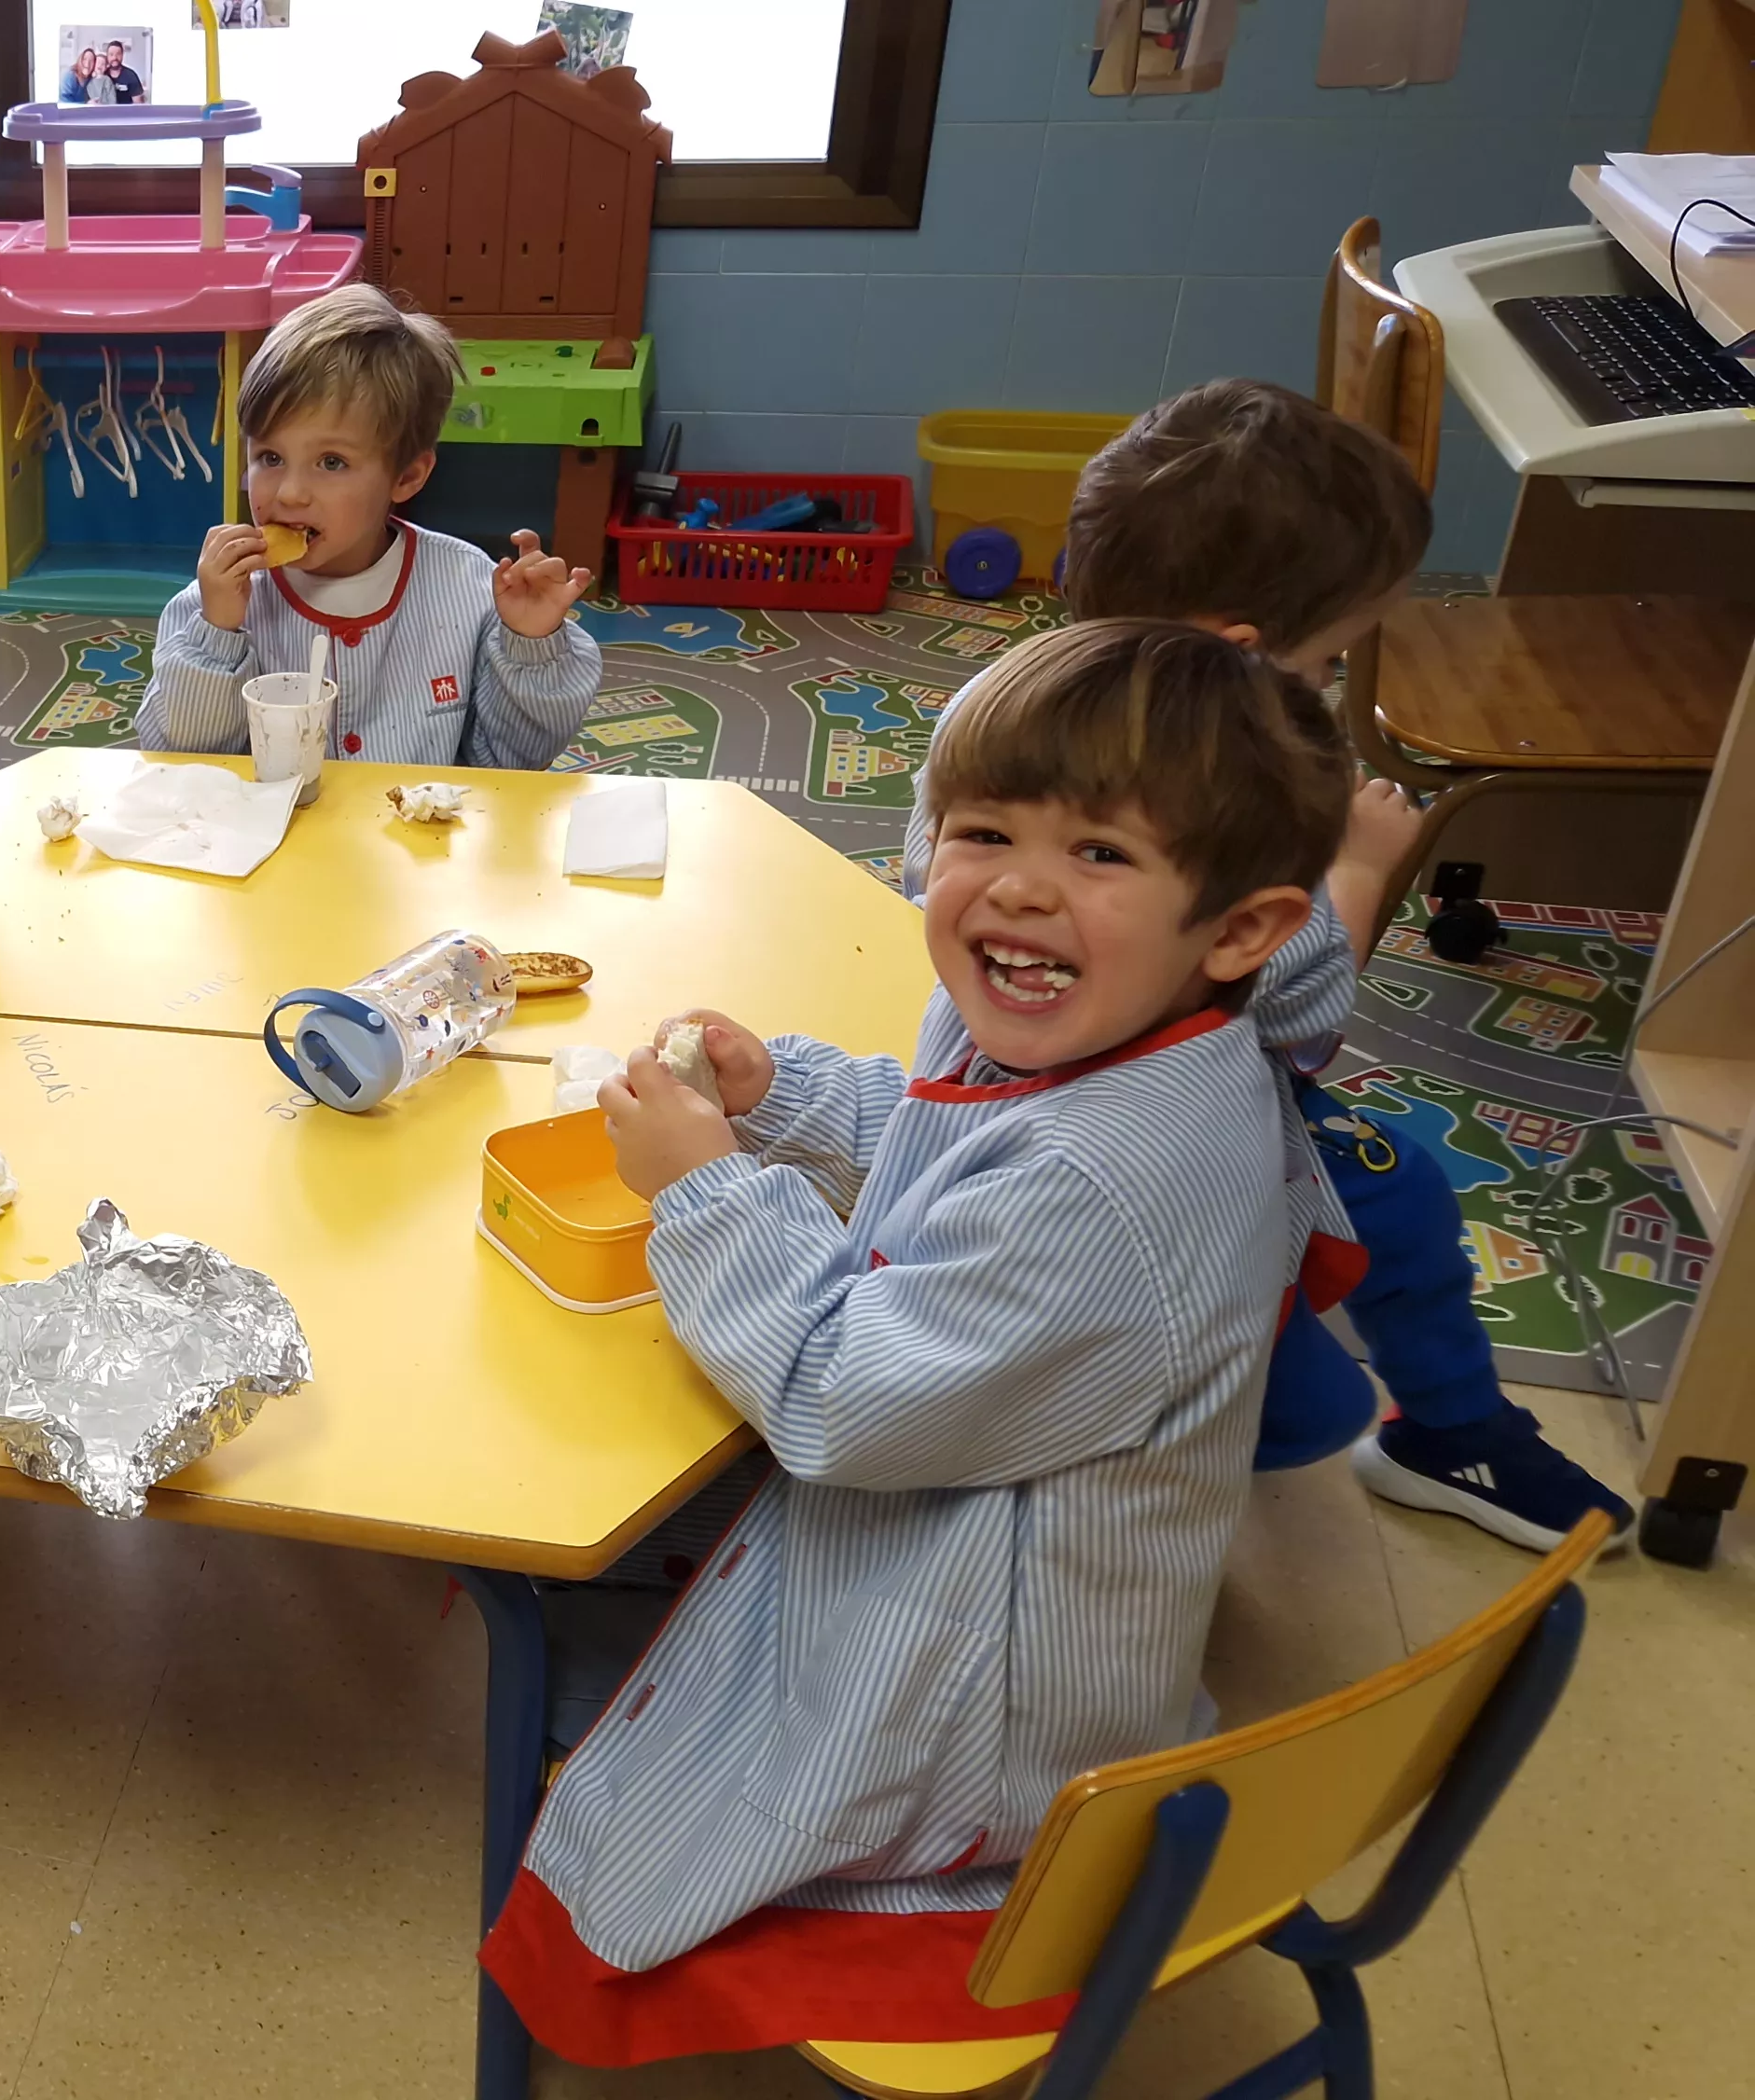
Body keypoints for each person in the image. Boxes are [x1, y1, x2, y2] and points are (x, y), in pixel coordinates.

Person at [487, 620, 1355, 2065]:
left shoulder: (1110, 1181)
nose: (1017, 887)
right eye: (984, 830)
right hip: (1000, 1546)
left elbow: (837, 1398)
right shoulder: (1060, 1024)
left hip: (989, 1725)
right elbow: (940, 1141)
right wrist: (784, 1095)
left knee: (566, 1608)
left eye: (1102, 856)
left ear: (1243, 930)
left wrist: (705, 1190)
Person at [895, 378, 1634, 1551]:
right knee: (1391, 1202)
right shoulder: (1239, 796)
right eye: (1328, 661)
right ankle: (1448, 1428)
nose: (1328, 688)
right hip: (1157, 1112)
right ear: (1240, 655)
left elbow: (927, 874)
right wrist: (1354, 869)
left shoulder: (999, 704)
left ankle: (1426, 1422)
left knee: (1385, 1199)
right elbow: (1291, 1010)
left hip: (1016, 1072)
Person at [143, 284, 603, 768]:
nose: (289, 493)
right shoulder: (217, 602)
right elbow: (179, 761)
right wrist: (218, 632)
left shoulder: (468, 590)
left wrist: (530, 643)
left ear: (406, 477)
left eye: (332, 462)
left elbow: (514, 764)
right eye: (270, 457)